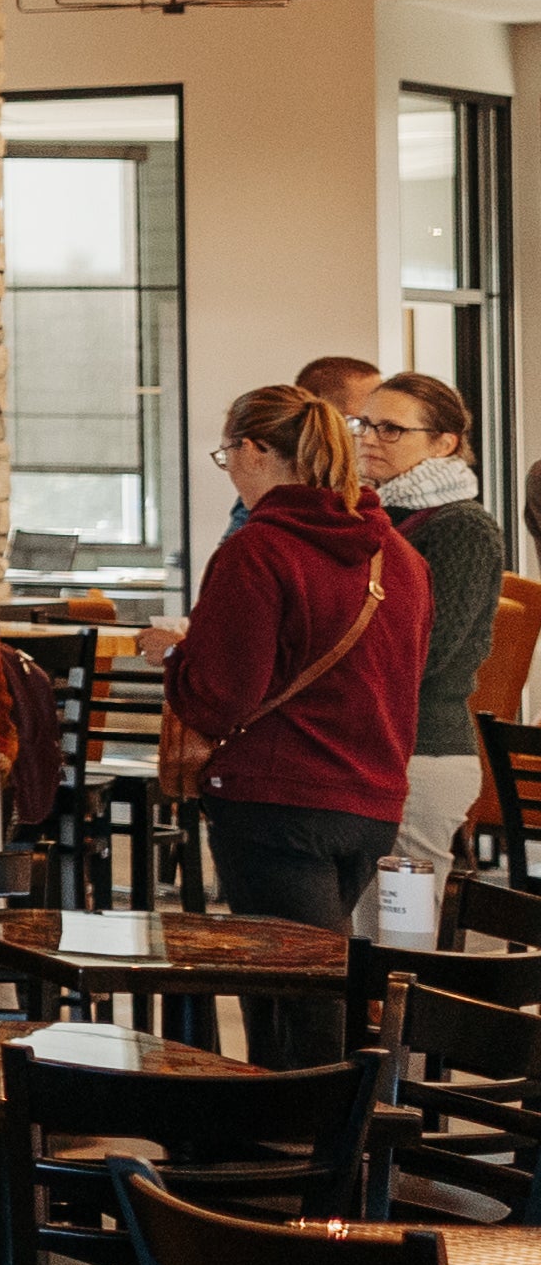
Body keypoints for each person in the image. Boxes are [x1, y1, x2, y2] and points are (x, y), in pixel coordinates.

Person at [165, 382, 431, 1054]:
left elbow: (218, 697)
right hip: (370, 801)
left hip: (273, 799)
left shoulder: (258, 550)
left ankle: (296, 1149)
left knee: (292, 1006)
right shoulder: (398, 556)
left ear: (257, 450)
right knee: (319, 988)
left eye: (228, 454)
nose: (230, 470)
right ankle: (322, 1143)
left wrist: (176, 658)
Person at [346, 369, 504, 902]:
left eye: (390, 429)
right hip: (367, 746)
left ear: (444, 442)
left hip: (424, 752)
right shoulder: (365, 515)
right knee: (361, 940)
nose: (368, 438)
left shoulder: (462, 526)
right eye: (363, 424)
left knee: (399, 938)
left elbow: (429, 653)